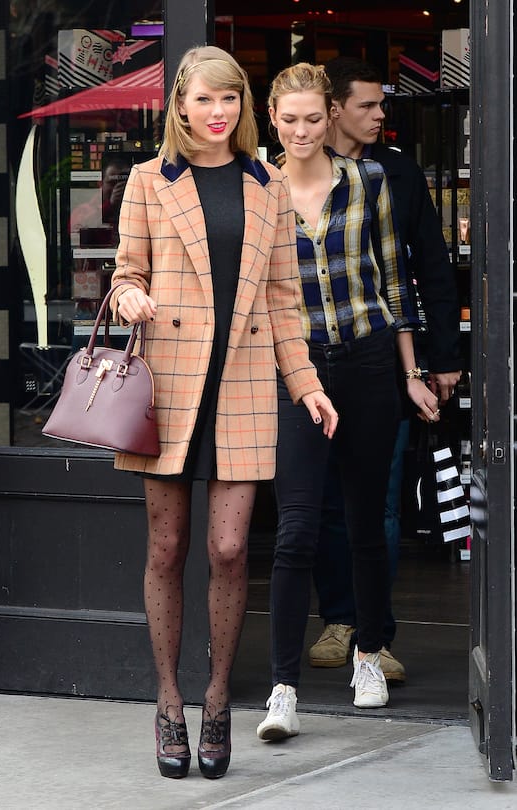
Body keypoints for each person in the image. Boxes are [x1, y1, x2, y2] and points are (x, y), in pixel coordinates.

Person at [109, 46, 338, 780]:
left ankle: (216, 701)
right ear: (180, 104)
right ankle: (167, 702)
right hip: (169, 387)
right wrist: (130, 296)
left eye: (230, 99)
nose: (218, 112)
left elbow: (283, 300)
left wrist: (305, 383)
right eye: (205, 99)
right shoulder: (150, 180)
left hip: (241, 386)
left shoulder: (267, 184)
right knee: (167, 549)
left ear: (244, 106)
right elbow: (125, 274)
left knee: (232, 549)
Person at [256, 62, 440, 742]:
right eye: (290, 119)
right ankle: (283, 689)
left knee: (366, 520)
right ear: (272, 119)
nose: (302, 130)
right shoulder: (257, 188)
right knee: (297, 528)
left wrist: (411, 372)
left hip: (366, 360)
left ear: (329, 115)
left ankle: (367, 653)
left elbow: (395, 281)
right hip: (296, 368)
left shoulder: (368, 180)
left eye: (313, 118)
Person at [308, 58, 462, 682]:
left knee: (382, 501)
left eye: (381, 104)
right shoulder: (295, 172)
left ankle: (377, 634)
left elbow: (429, 266)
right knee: (324, 500)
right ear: (336, 109)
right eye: (367, 105)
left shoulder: (396, 173)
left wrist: (441, 359)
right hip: (315, 357)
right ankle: (339, 619)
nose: (380, 115)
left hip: (388, 356)